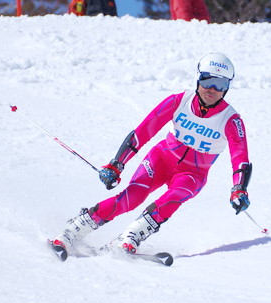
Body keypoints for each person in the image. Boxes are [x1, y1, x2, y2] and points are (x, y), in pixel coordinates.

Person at [51, 53, 251, 254]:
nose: (212, 89)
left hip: (192, 174)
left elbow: (240, 158)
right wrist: (116, 165)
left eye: (220, 84)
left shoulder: (231, 120)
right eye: (208, 80)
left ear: (227, 87)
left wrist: (239, 189)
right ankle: (75, 228)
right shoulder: (178, 101)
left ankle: (132, 235)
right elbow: (143, 132)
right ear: (198, 79)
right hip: (162, 159)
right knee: (133, 197)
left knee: (177, 194)